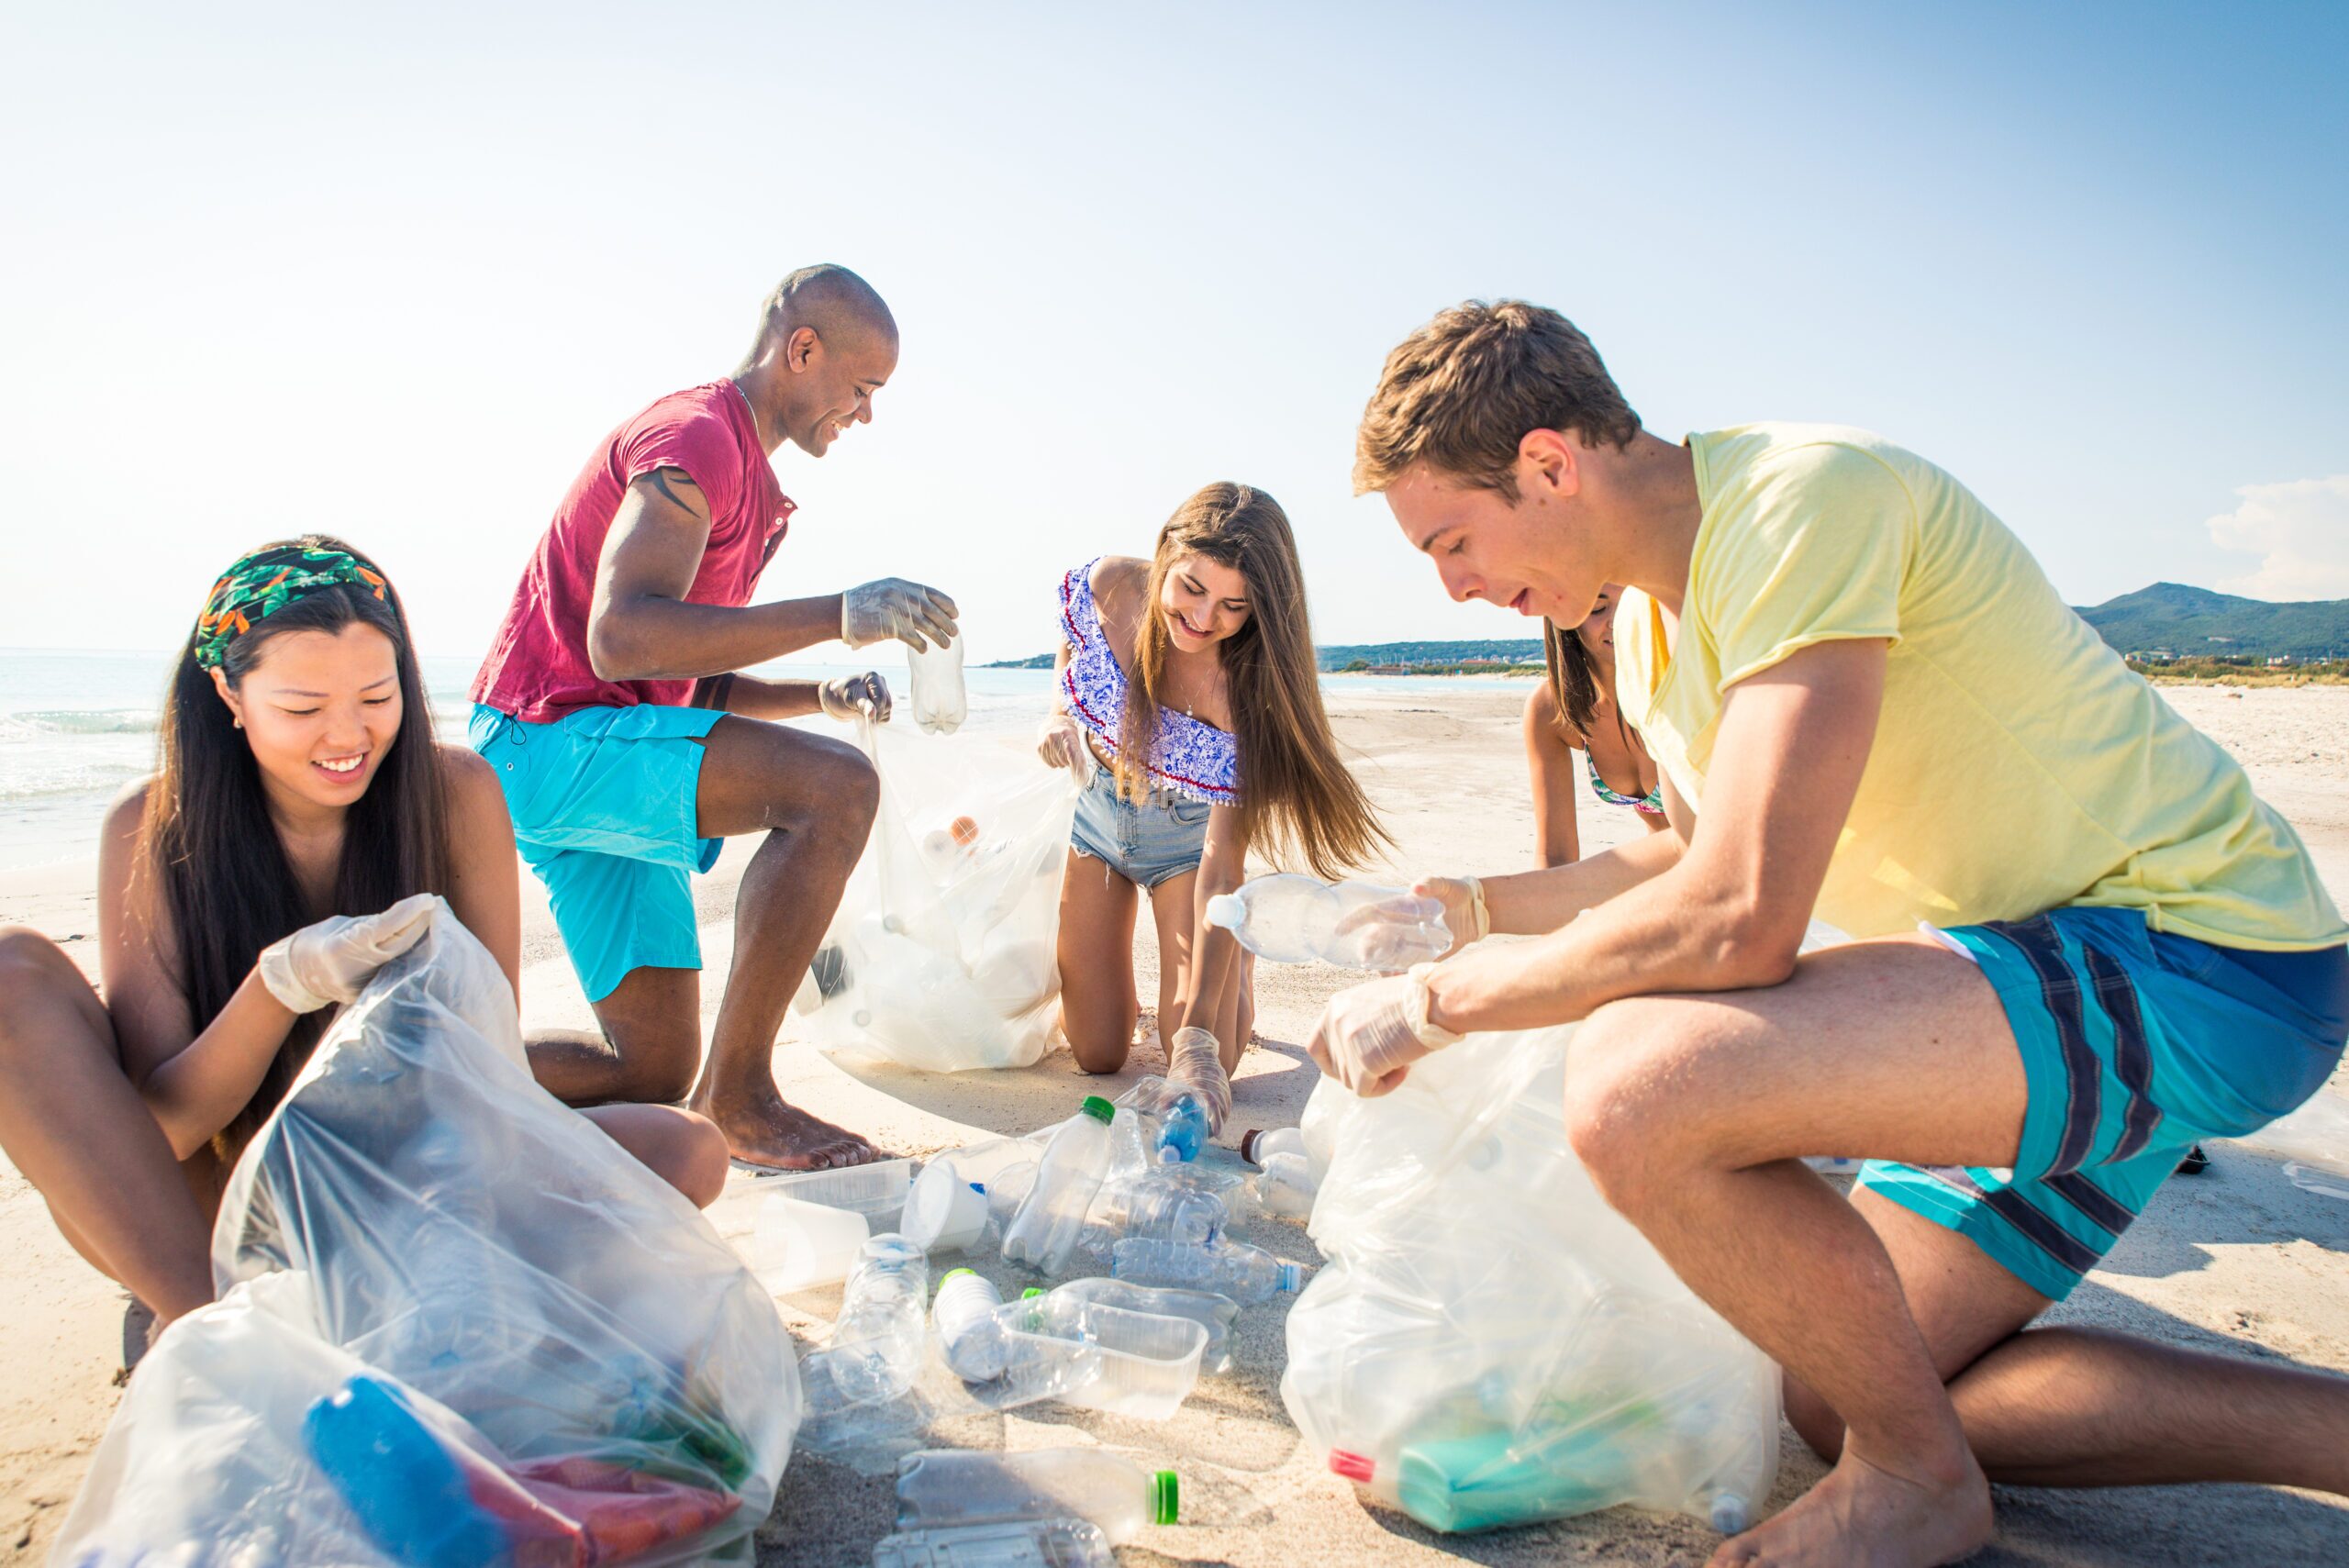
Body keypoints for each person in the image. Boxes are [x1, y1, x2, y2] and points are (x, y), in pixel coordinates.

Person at [1318, 300, 2349, 1568]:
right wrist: (1469, 912)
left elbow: (1740, 913)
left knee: (1640, 1084)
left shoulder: (1802, 500)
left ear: (1547, 464)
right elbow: (1684, 851)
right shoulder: (1645, 627)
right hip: (2025, 977)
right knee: (1848, 1377)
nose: (1455, 584)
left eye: (1453, 541)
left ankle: (1915, 1482)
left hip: (2199, 953)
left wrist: (1438, 1007)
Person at [0, 538, 726, 1331]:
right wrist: (279, 985)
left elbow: (490, 1074)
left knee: (685, 1150)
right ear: (229, 693)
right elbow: (166, 1128)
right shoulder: (151, 825)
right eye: (303, 709)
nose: (347, 736)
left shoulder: (455, 793)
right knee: (10, 970)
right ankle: (209, 1327)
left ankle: (365, 1296)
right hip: (220, 1199)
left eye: (378, 697)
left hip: (404, 1174)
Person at [470, 264, 958, 1171]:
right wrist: (838, 613)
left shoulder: (748, 479)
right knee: (835, 789)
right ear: (801, 349)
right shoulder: (697, 438)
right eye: (862, 388)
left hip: (596, 745)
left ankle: (408, 1070)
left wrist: (820, 693)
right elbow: (620, 637)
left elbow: (680, 675)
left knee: (651, 1063)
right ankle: (740, 1099)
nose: (864, 415)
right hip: (549, 740)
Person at [1037, 483, 1388, 1084]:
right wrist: (1058, 716)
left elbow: (1222, 869)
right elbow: (1074, 645)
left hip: (1190, 851)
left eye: (1234, 605)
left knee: (1208, 1057)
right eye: (1192, 588)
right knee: (1097, 1054)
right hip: (1094, 822)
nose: (1203, 619)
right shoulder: (1111, 585)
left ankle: (1237, 964)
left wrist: (1199, 1036)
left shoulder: (1243, 693)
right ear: (1166, 554)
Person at [1523, 591, 1668, 867]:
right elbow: (1555, 855)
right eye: (1598, 608)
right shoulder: (1551, 709)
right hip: (1668, 873)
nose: (1618, 620)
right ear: (1565, 617)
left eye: (1631, 603)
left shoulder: (1677, 688)